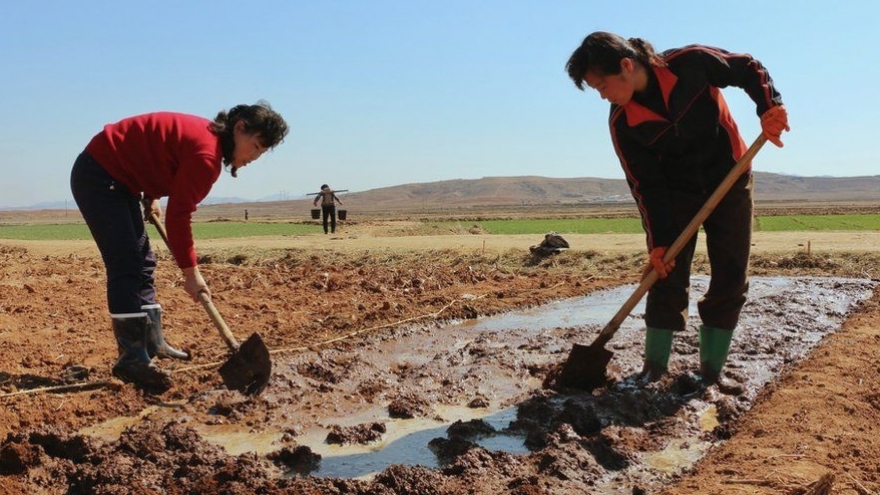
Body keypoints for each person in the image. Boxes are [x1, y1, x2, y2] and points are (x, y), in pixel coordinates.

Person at [565, 32, 789, 385]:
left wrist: (769, 107)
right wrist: (659, 244)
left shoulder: (691, 63)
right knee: (665, 273)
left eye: (601, 85)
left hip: (729, 177)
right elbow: (646, 187)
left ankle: (710, 373)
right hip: (677, 194)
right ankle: (654, 369)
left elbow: (747, 68)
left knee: (730, 275)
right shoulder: (623, 122)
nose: (602, 95)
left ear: (626, 66)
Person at [70, 102, 289, 392]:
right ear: (239, 128)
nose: (255, 157)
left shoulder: (207, 141)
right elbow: (179, 216)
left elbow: (158, 153)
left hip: (118, 178)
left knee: (144, 262)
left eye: (262, 153)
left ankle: (151, 343)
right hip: (100, 176)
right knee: (126, 263)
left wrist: (152, 194)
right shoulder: (207, 154)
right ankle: (131, 359)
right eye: (256, 146)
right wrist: (191, 272)